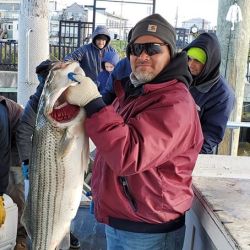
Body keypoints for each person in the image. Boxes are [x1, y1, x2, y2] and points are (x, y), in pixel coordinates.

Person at [64, 13, 204, 250]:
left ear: (170, 53)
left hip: (149, 230)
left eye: (153, 48)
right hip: (123, 220)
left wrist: (94, 102)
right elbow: (111, 135)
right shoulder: (134, 91)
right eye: (136, 48)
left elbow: (128, 154)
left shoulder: (175, 103)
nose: (143, 56)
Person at [16, 60, 81, 249]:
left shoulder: (72, 90)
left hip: (59, 161)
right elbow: (23, 131)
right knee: (44, 205)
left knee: (58, 204)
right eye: (46, 78)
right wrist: (28, 161)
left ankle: (63, 234)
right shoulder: (38, 101)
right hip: (42, 164)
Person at [183, 32, 235, 154]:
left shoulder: (223, 95)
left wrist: (189, 157)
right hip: (166, 146)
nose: (191, 64)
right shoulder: (182, 76)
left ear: (209, 63)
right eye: (189, 58)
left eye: (197, 61)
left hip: (191, 154)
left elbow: (211, 135)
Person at [0, 95, 27, 250]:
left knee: (14, 186)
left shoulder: (1, 112)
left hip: (16, 142)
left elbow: (3, 154)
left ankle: (20, 236)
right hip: (3, 140)